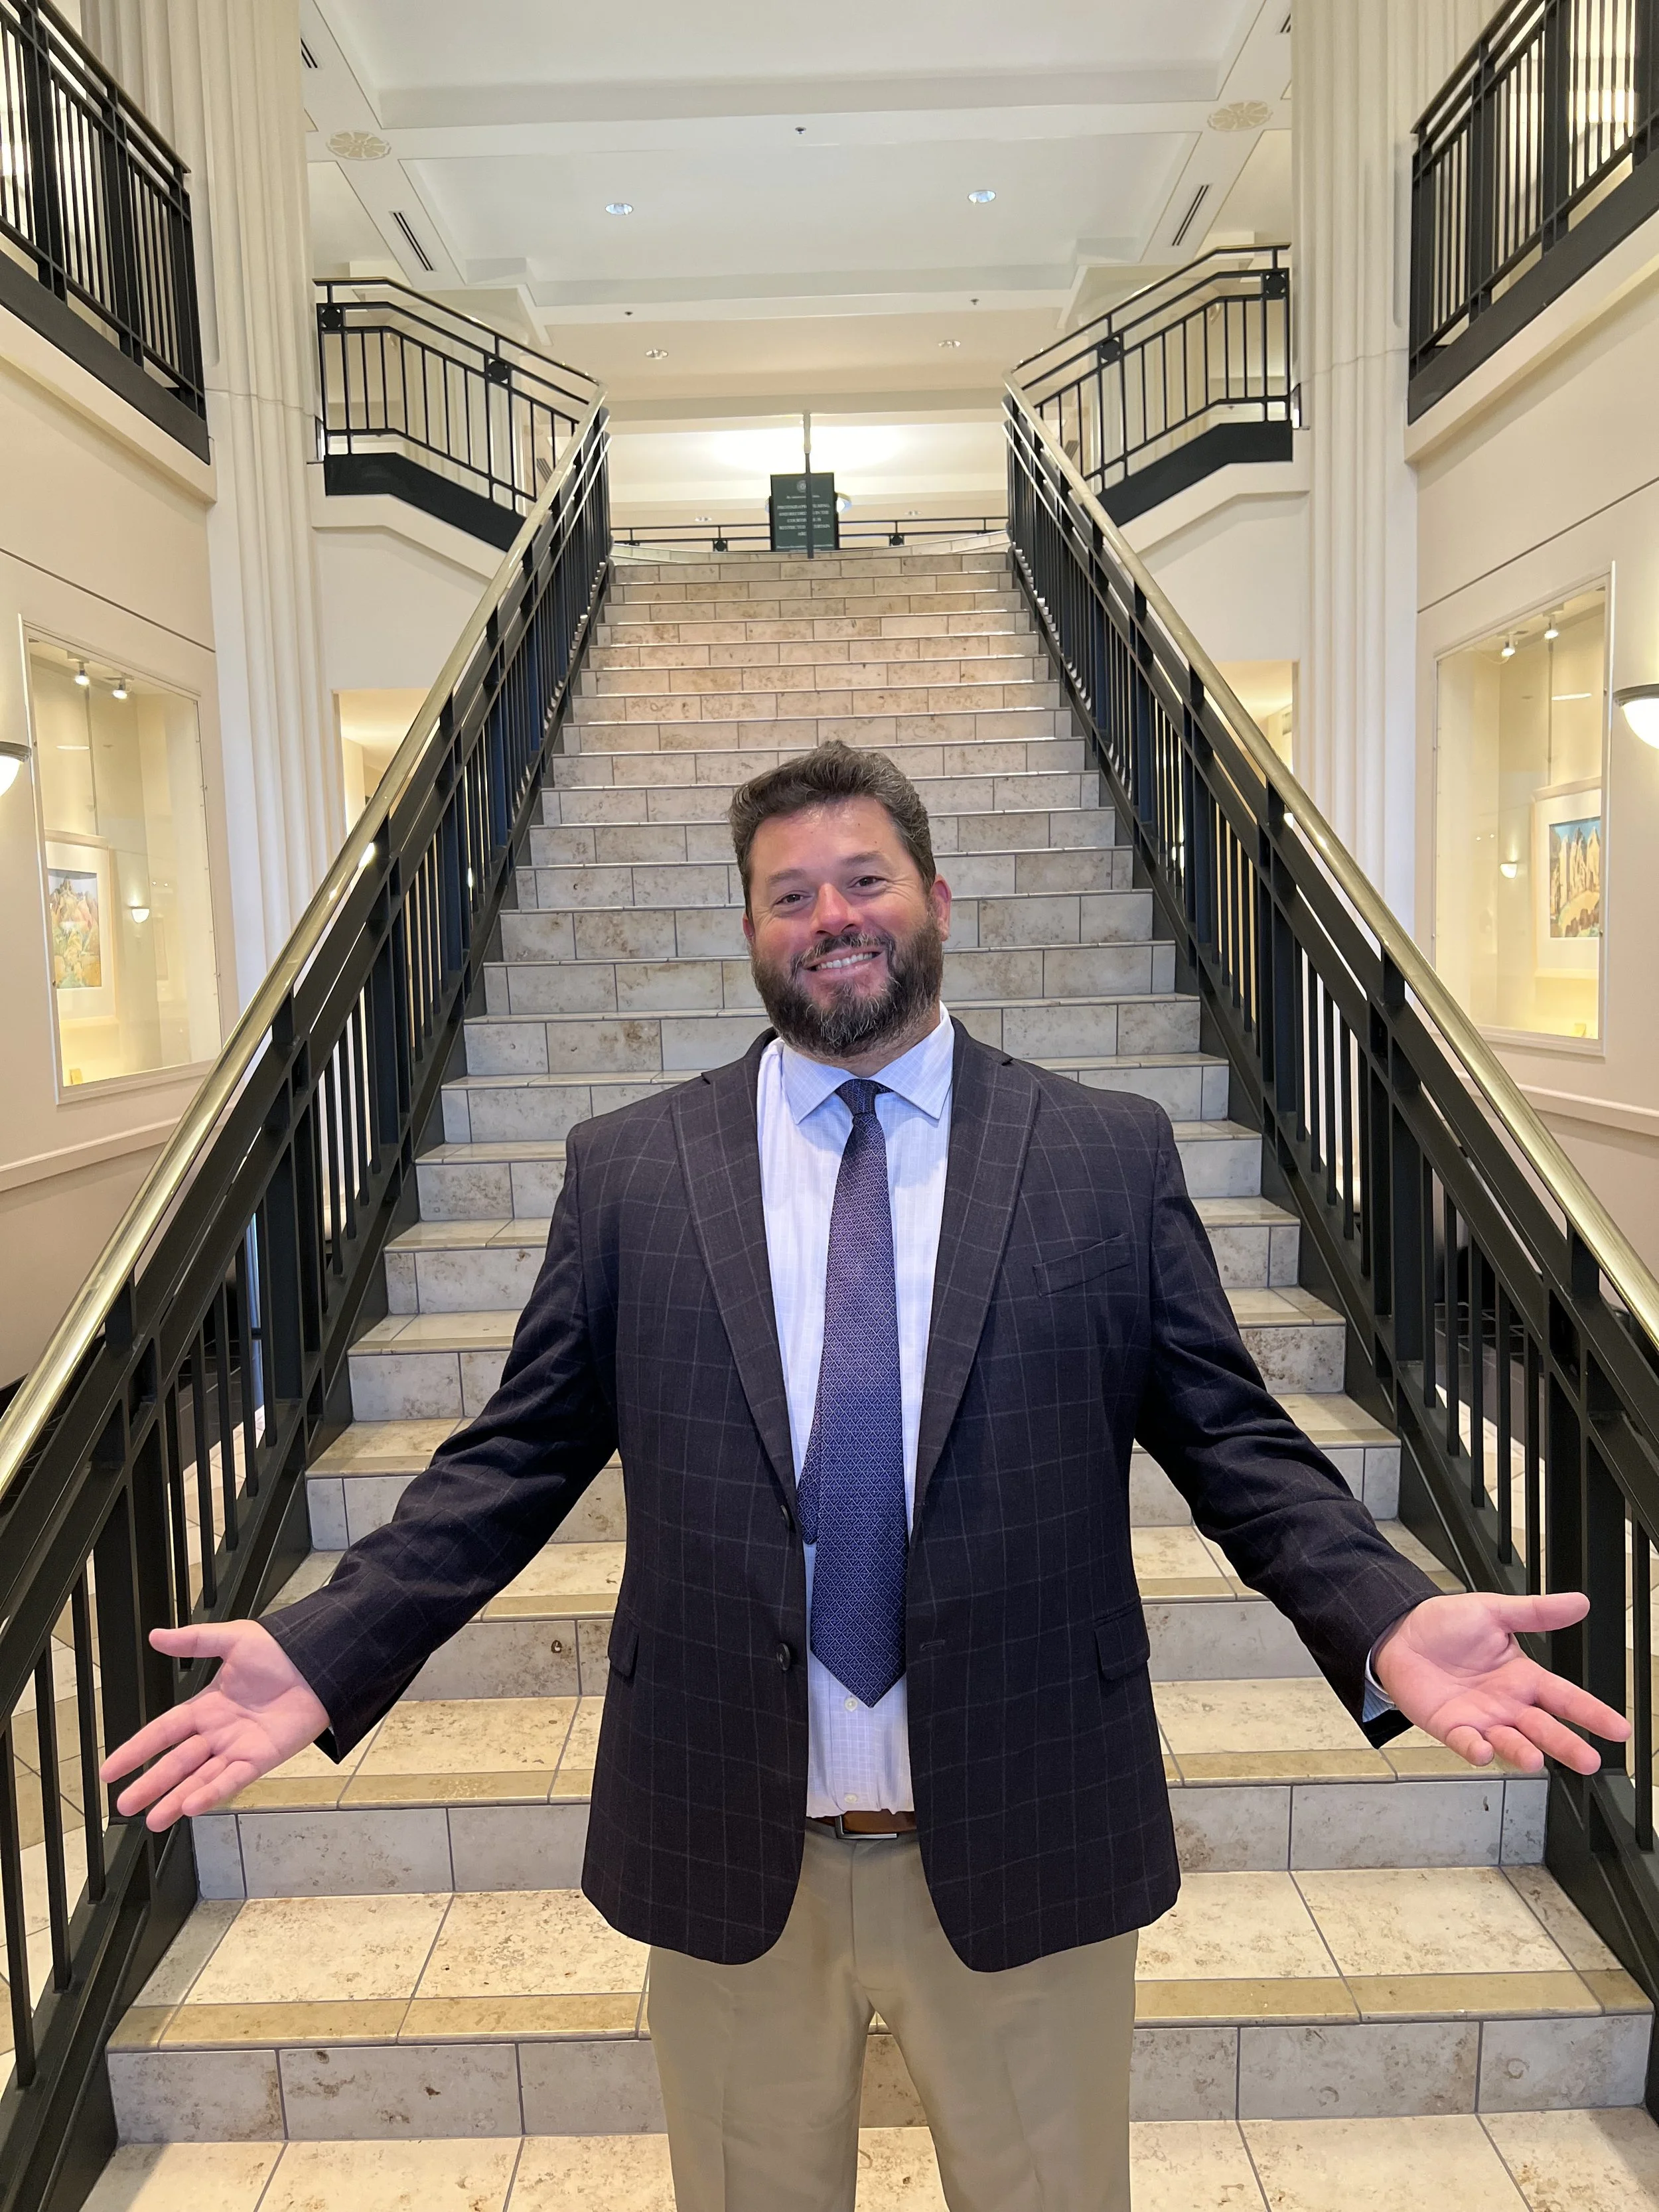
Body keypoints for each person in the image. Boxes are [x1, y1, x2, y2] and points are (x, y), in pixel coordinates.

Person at [103, 741, 1629, 2212]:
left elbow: (1234, 1443)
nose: (831, 915)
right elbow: (507, 1462)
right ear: (752, 932)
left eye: (864, 877)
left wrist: (1379, 1614)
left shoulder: (1101, 1155)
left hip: (1031, 1831)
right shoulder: (632, 1168)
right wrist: (325, 1646)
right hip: (724, 1843)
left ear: (937, 898)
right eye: (788, 892)